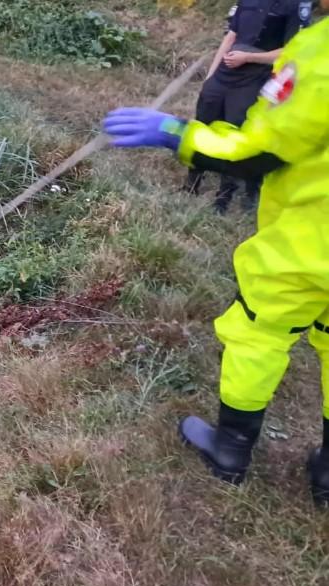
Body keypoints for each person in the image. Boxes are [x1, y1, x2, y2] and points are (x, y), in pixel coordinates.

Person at [102, 4, 329, 506]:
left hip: (312, 241)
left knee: (258, 332)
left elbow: (258, 152)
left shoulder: (319, 54)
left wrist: (175, 134)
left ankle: (230, 450)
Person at [184, 0, 312, 214]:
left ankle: (224, 197)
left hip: (254, 78)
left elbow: (290, 52)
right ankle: (191, 183)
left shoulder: (294, 6)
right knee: (202, 123)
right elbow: (231, 36)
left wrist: (249, 57)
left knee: (232, 131)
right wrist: (211, 76)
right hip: (225, 73)